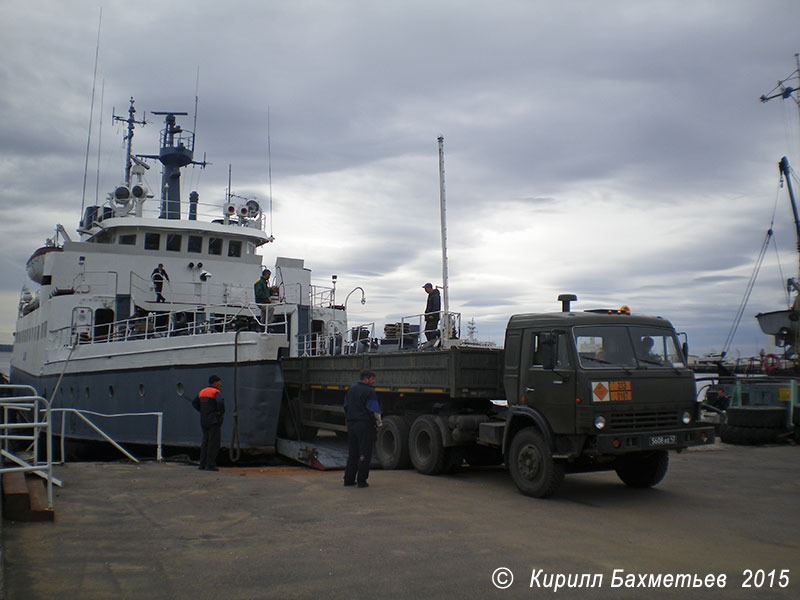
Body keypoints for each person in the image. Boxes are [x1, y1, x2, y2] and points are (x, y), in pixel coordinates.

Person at [343, 370, 382, 488]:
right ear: (366, 379)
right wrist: (378, 424)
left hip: (351, 424)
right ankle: (361, 481)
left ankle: (348, 479)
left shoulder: (351, 389)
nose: (374, 381)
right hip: (364, 425)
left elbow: (345, 406)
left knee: (353, 453)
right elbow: (374, 410)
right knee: (364, 453)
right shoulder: (369, 392)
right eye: (372, 379)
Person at [192, 375, 225, 471]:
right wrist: (220, 412)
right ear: (215, 383)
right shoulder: (215, 392)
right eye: (219, 382)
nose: (220, 384)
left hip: (204, 420)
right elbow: (220, 402)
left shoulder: (202, 391)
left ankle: (202, 464)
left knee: (205, 442)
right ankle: (210, 464)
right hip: (213, 420)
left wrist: (202, 411)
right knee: (213, 443)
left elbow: (194, 403)